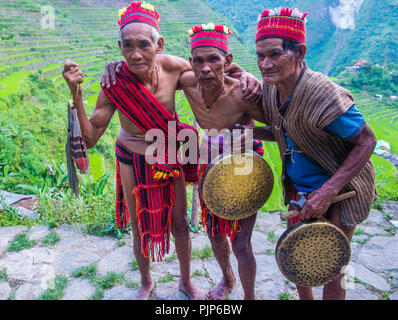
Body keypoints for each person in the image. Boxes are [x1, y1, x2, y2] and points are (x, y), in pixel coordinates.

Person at [104, 23, 268, 300]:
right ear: (190, 64)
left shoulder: (241, 92)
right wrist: (115, 65)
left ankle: (249, 297)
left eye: (214, 59)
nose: (205, 68)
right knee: (215, 233)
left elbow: (280, 124)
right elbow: (142, 69)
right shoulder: (190, 84)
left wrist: (251, 128)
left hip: (243, 164)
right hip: (210, 162)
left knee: (240, 242)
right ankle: (228, 280)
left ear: (227, 61)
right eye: (199, 61)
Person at [62, 1, 206, 300]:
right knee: (138, 223)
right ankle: (146, 282)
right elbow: (90, 138)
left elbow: (210, 73)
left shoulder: (176, 67)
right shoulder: (114, 82)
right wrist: (76, 95)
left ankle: (186, 282)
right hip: (132, 159)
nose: (135, 54)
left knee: (180, 223)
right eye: (127, 46)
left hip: (168, 155)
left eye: (144, 45)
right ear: (120, 46)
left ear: (159, 44)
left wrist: (239, 74)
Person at [245, 7, 377, 300]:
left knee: (332, 264)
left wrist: (328, 192)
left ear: (299, 52)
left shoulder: (324, 95)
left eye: (275, 54)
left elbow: (367, 141)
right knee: (297, 255)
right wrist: (252, 132)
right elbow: (285, 130)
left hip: (342, 189)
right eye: (260, 56)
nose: (265, 64)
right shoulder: (273, 88)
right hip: (301, 188)